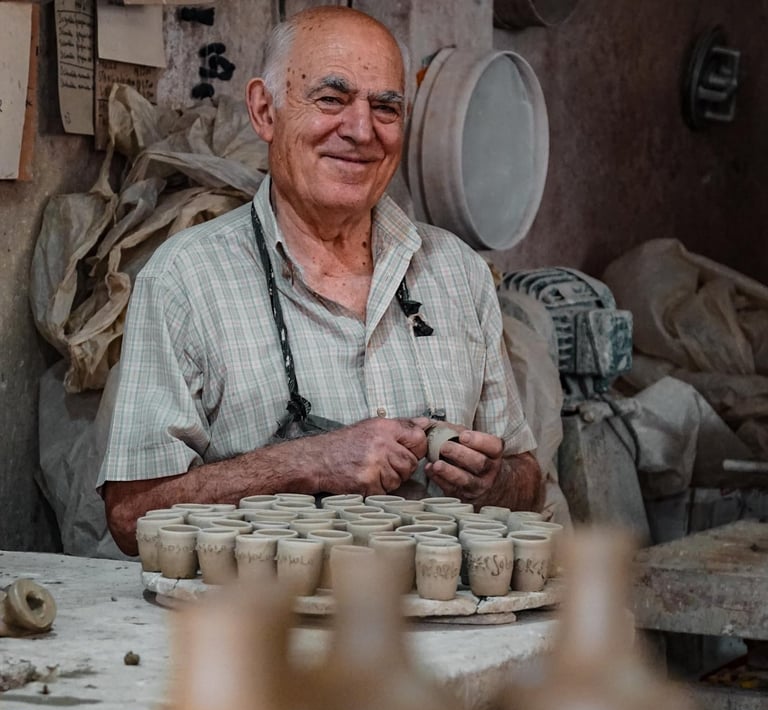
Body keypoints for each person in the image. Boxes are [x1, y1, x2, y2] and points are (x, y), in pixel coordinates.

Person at [99, 5, 542, 556]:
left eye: (385, 107)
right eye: (331, 99)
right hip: (268, 628)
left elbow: (528, 479)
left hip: (440, 626)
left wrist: (492, 481)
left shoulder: (458, 272)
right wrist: (310, 462)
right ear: (265, 111)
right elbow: (130, 514)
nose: (361, 131)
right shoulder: (185, 279)